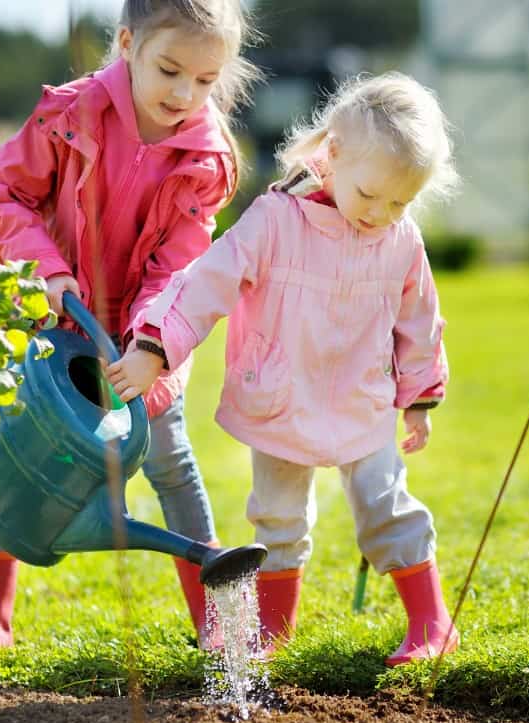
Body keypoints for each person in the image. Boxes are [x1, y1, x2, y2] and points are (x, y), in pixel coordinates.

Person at [109, 72, 462, 666]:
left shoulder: (402, 240)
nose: (381, 213)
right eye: (370, 194)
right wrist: (155, 350)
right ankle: (272, 632)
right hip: (279, 394)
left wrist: (419, 398)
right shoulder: (275, 222)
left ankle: (431, 623)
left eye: (400, 201)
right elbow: (205, 284)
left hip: (361, 399)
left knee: (386, 505)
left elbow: (420, 322)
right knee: (276, 516)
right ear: (334, 155)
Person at [0, 0, 261, 659]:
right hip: (51, 328)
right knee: (22, 453)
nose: (185, 94)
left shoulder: (205, 161)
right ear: (127, 43)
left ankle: (217, 621)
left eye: (206, 81)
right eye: (170, 70)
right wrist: (45, 269)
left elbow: (179, 269)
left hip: (143, 341)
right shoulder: (70, 115)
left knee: (172, 462)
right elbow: (1, 193)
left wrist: (150, 349)